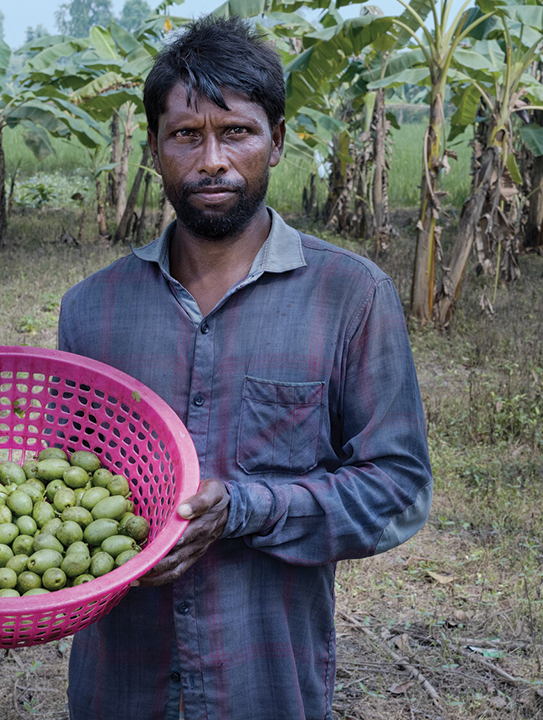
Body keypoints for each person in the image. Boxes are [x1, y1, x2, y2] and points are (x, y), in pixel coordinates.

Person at [57, 15, 433, 720]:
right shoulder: (93, 312)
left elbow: (399, 490)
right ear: (154, 149)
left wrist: (247, 508)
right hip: (120, 687)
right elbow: (62, 494)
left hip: (264, 684)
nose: (212, 161)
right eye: (186, 135)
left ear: (278, 142)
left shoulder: (350, 296)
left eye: (236, 132)